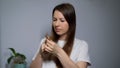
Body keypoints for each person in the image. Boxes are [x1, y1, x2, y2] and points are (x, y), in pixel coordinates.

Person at [30, 3, 91, 68]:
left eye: (62, 20)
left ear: (71, 22)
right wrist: (40, 54)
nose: (56, 24)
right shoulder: (45, 41)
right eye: (54, 20)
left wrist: (58, 51)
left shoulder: (82, 45)